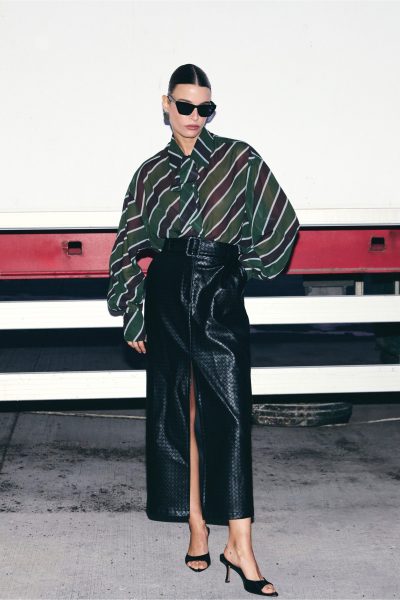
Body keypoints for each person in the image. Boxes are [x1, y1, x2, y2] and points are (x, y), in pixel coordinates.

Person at [107, 63, 300, 597]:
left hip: (217, 289)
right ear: (166, 104)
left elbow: (282, 222)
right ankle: (196, 524)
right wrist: (134, 311)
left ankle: (241, 544)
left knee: (231, 415)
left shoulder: (239, 158)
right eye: (185, 106)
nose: (195, 116)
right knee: (180, 413)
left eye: (205, 108)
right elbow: (127, 243)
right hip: (167, 289)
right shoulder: (150, 173)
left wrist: (241, 269)